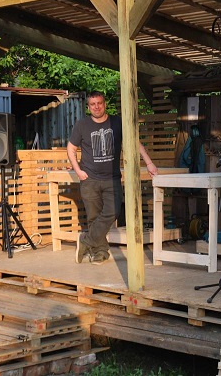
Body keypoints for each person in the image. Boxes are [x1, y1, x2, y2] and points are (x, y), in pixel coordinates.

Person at [67, 91, 158, 265]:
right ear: (88, 107)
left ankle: (85, 240)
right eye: (93, 104)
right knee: (94, 217)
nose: (96, 107)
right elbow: (71, 149)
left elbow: (135, 142)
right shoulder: (82, 125)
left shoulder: (117, 122)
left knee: (113, 212)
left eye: (99, 103)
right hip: (89, 179)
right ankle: (100, 252)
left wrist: (149, 163)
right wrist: (77, 170)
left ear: (105, 104)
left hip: (112, 178)